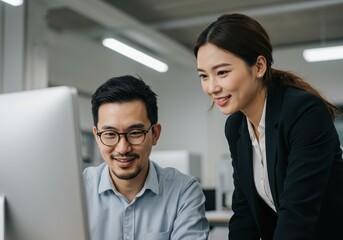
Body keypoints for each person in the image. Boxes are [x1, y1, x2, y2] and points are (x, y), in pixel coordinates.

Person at [194, 13, 343, 240]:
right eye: (204, 76)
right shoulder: (235, 127)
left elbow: (297, 214)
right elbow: (245, 213)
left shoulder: (303, 112)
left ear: (259, 66)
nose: (212, 87)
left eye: (222, 72)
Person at [83, 75, 209, 240]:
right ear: (97, 137)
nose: (122, 148)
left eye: (135, 133)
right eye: (110, 134)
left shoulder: (183, 191)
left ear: (155, 134)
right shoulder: (78, 191)